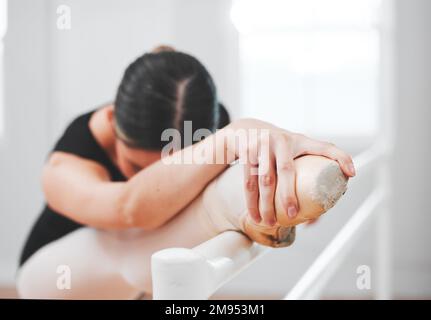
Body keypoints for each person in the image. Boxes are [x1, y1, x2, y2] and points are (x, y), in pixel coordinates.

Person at [17, 46, 355, 299]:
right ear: (109, 118)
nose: (160, 183)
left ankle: (233, 202)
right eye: (137, 167)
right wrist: (240, 135)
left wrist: (276, 181)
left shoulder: (213, 128)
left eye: (174, 160)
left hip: (141, 289)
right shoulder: (67, 162)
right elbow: (131, 208)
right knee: (135, 250)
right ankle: (230, 202)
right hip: (49, 281)